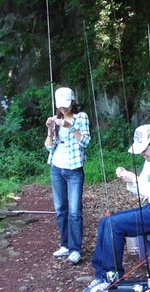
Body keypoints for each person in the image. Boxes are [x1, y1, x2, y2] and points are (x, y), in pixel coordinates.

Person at [82, 124, 150, 292]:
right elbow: (143, 190)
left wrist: (135, 179)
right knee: (106, 222)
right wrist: (129, 180)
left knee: (113, 224)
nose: (142, 154)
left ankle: (112, 276)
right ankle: (101, 275)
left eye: (144, 150)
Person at [45, 87, 91, 265]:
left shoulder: (81, 117)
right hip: (56, 168)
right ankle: (65, 245)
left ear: (73, 102)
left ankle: (75, 249)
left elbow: (86, 141)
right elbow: (49, 147)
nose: (63, 109)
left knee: (74, 211)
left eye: (66, 105)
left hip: (74, 169)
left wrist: (70, 126)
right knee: (60, 209)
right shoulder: (56, 119)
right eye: (61, 106)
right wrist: (50, 129)